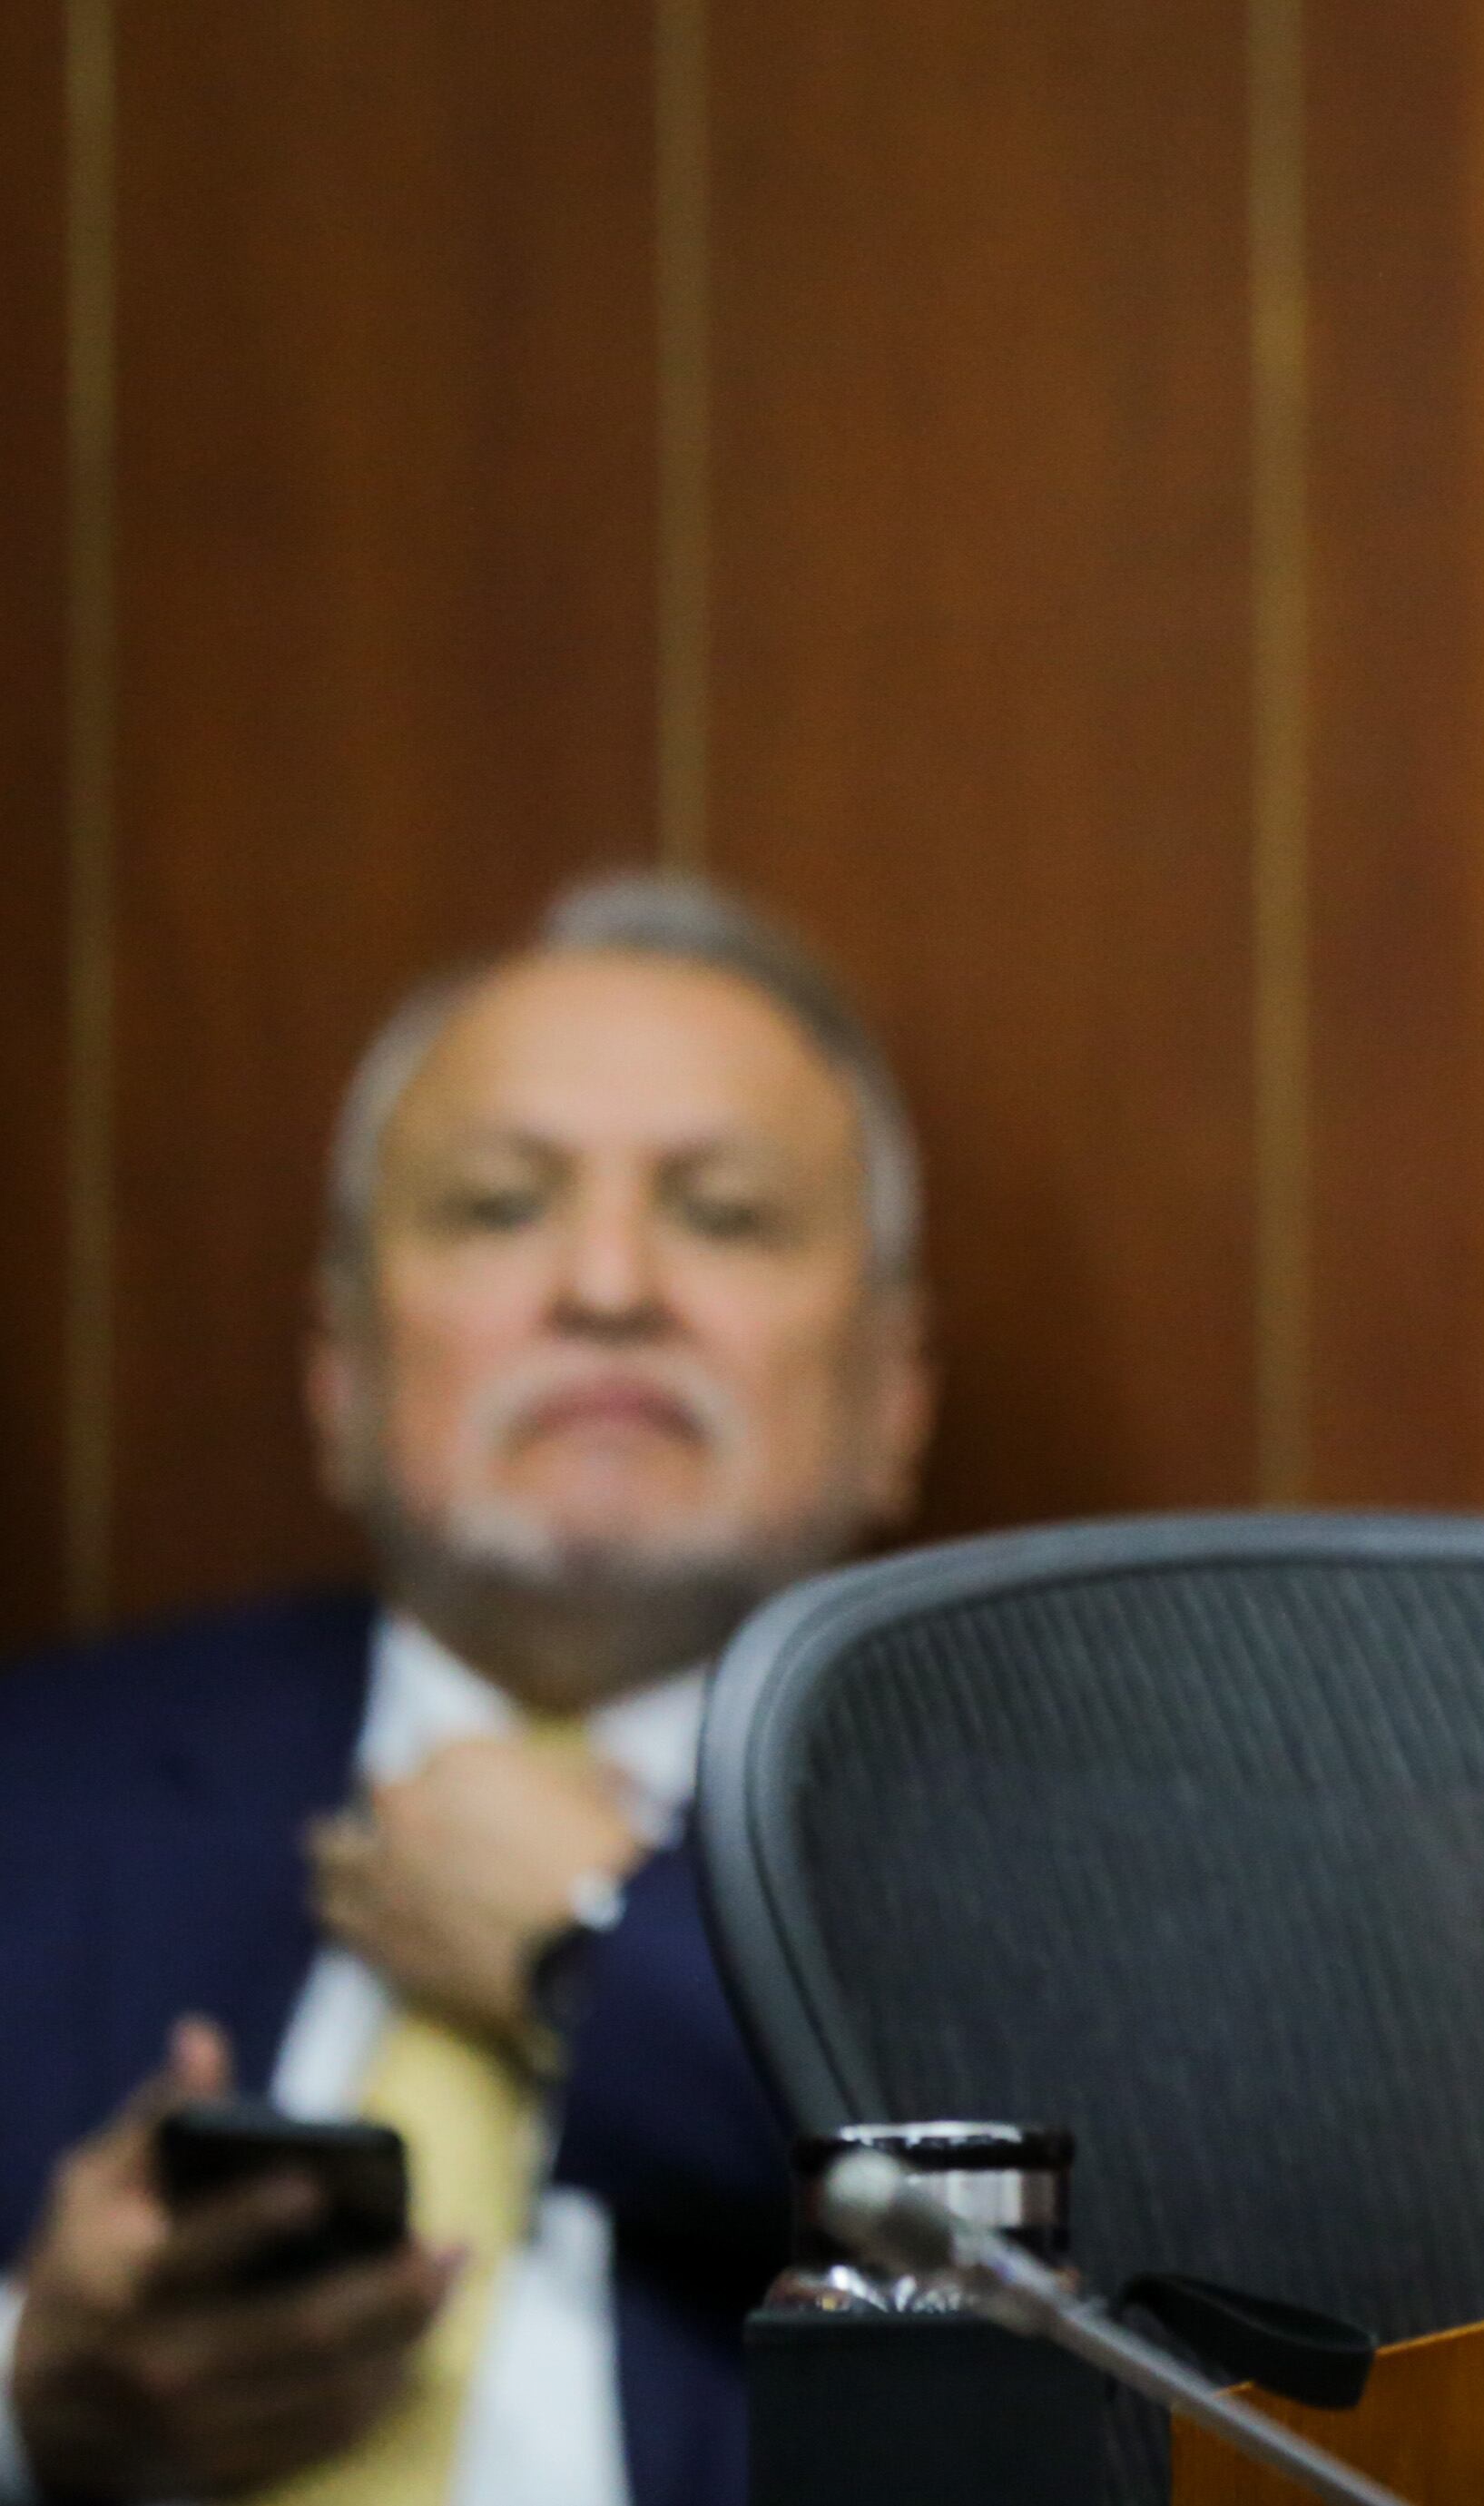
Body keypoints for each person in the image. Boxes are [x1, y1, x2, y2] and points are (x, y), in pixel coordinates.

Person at [0, 875, 935, 2505]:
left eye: (723, 1216)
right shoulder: (36, 1790)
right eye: (501, 1208)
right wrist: (28, 2398)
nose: (608, 1284)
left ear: (892, 1392)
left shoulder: (1046, 1865)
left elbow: (1120, 2308)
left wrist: (595, 1948)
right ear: (340, 1370)